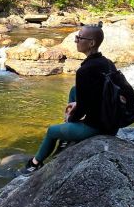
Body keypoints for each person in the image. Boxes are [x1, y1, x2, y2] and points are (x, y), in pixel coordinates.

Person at [23, 22, 115, 173]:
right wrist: (77, 106)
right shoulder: (107, 63)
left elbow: (82, 109)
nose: (76, 41)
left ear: (91, 43)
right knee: (74, 90)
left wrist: (70, 119)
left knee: (52, 131)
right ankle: (66, 136)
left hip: (98, 127)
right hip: (111, 120)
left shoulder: (85, 70)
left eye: (79, 38)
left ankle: (34, 164)